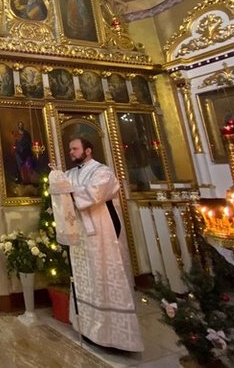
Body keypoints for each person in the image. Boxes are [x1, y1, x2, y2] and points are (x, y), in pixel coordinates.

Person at [49, 137, 143, 352]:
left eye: (74, 148)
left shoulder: (103, 172)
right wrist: (57, 181)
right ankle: (88, 328)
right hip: (80, 234)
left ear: (88, 150)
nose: (71, 152)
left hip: (102, 233)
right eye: (70, 149)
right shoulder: (71, 173)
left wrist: (67, 188)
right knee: (86, 279)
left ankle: (113, 335)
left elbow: (94, 194)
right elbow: (63, 195)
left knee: (104, 276)